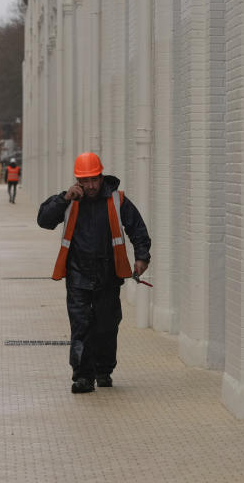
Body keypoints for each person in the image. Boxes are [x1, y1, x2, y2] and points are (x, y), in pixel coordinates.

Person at [36, 152, 151, 393]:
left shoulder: (117, 200)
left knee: (107, 326)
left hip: (108, 274)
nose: (90, 186)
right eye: (84, 181)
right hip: (78, 275)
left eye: (94, 180)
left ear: (101, 177)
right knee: (81, 326)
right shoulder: (70, 200)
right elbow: (44, 220)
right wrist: (64, 198)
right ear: (77, 180)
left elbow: (138, 229)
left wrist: (142, 257)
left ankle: (103, 370)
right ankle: (82, 376)